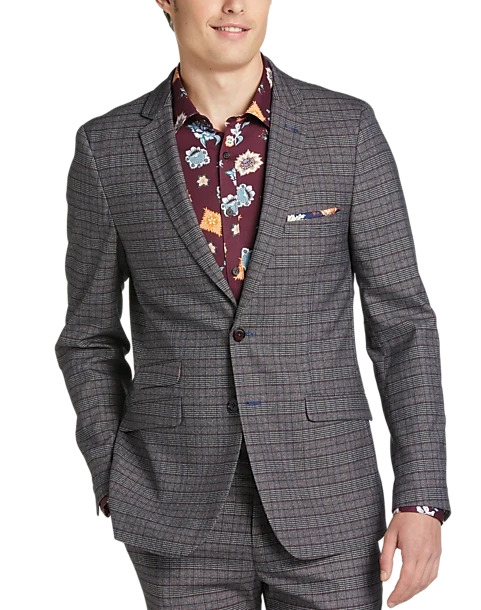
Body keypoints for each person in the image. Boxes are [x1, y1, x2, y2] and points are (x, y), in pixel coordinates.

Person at [55, 1, 450, 608]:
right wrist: (114, 477)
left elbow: (403, 325)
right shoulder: (109, 149)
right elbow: (87, 337)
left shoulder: (344, 131)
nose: (234, 5)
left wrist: (421, 498)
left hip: (328, 501)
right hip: (176, 506)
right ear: (166, 1)